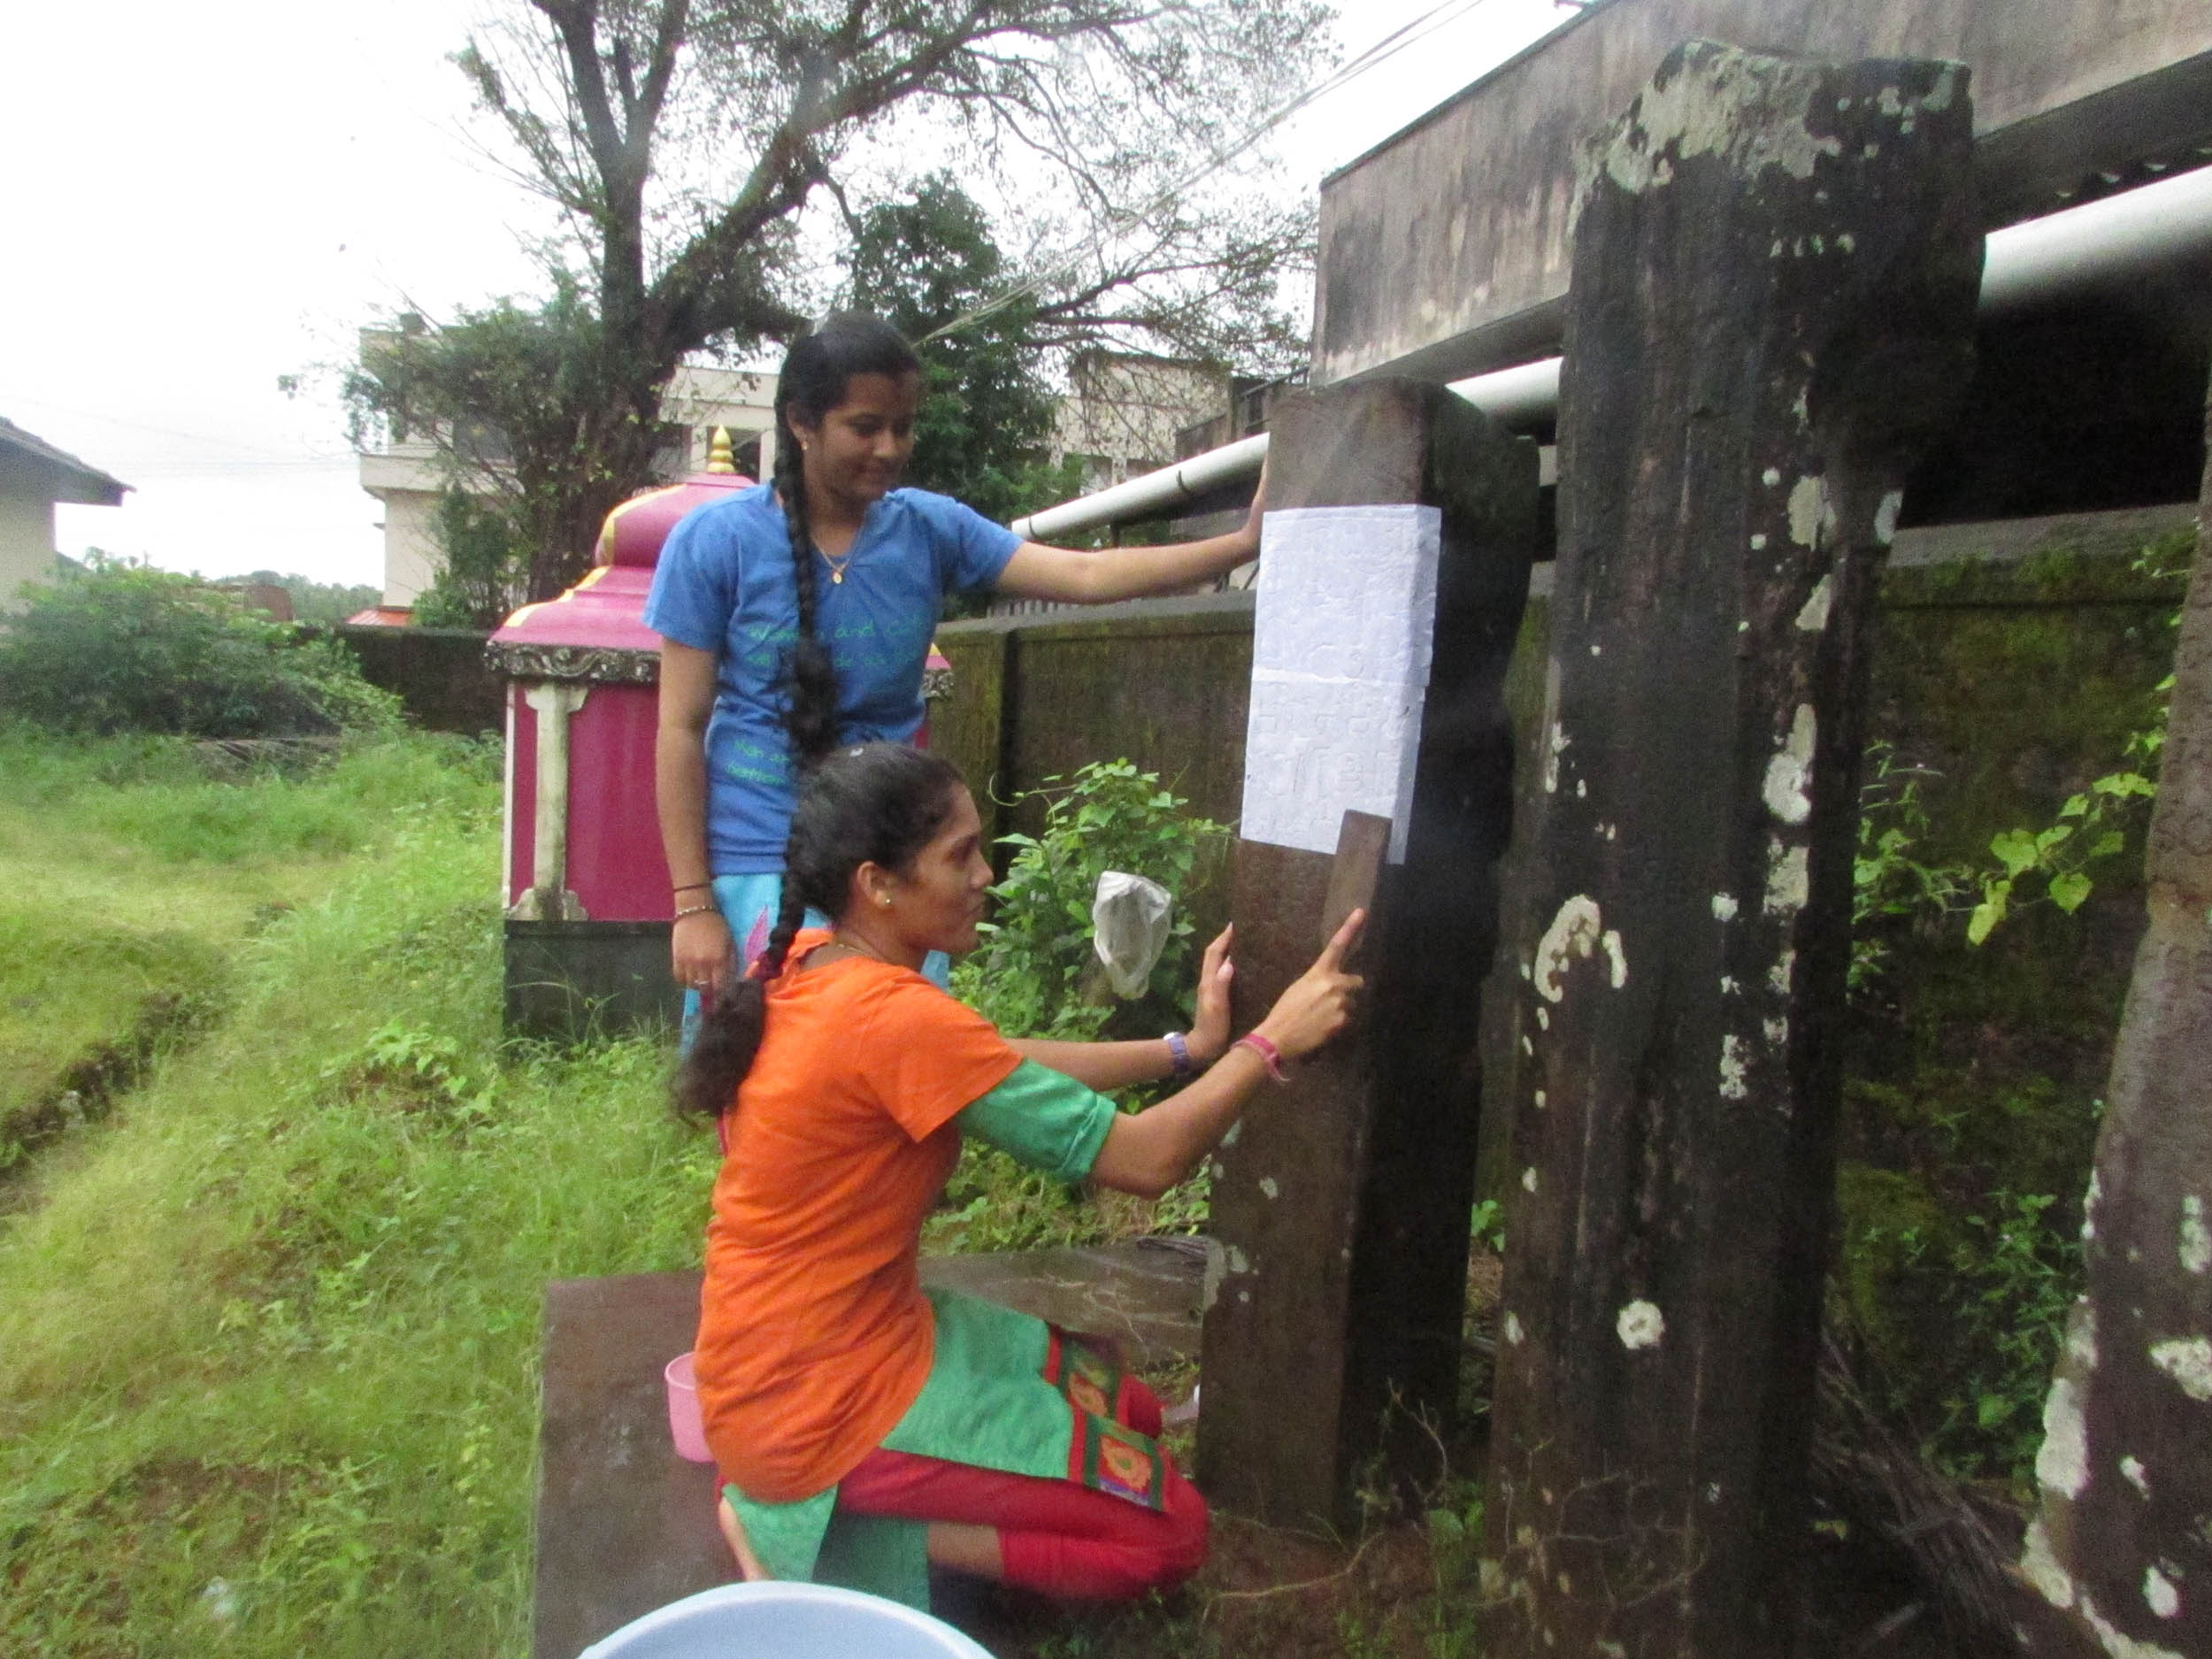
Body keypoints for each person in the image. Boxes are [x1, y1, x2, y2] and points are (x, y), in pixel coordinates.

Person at [680, 741, 1363, 1609]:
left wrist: (1186, 1050)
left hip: (813, 1348)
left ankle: (821, 1513)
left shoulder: (809, 961)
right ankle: (833, 1538)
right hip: (815, 1402)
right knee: (1172, 1532)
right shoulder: (887, 1016)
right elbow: (1148, 1161)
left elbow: (989, 1061)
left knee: (1135, 1413)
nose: (984, 876)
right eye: (958, 856)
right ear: (876, 884)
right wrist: (1274, 1041)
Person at [644, 312, 1268, 1011]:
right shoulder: (714, 542)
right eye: (864, 426)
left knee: (903, 1075)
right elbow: (680, 727)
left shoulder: (929, 527)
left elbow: (1087, 577)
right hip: (755, 857)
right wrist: (693, 902)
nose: (888, 447)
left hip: (894, 861)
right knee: (769, 1088)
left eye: (903, 427)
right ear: (801, 421)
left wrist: (1241, 542)